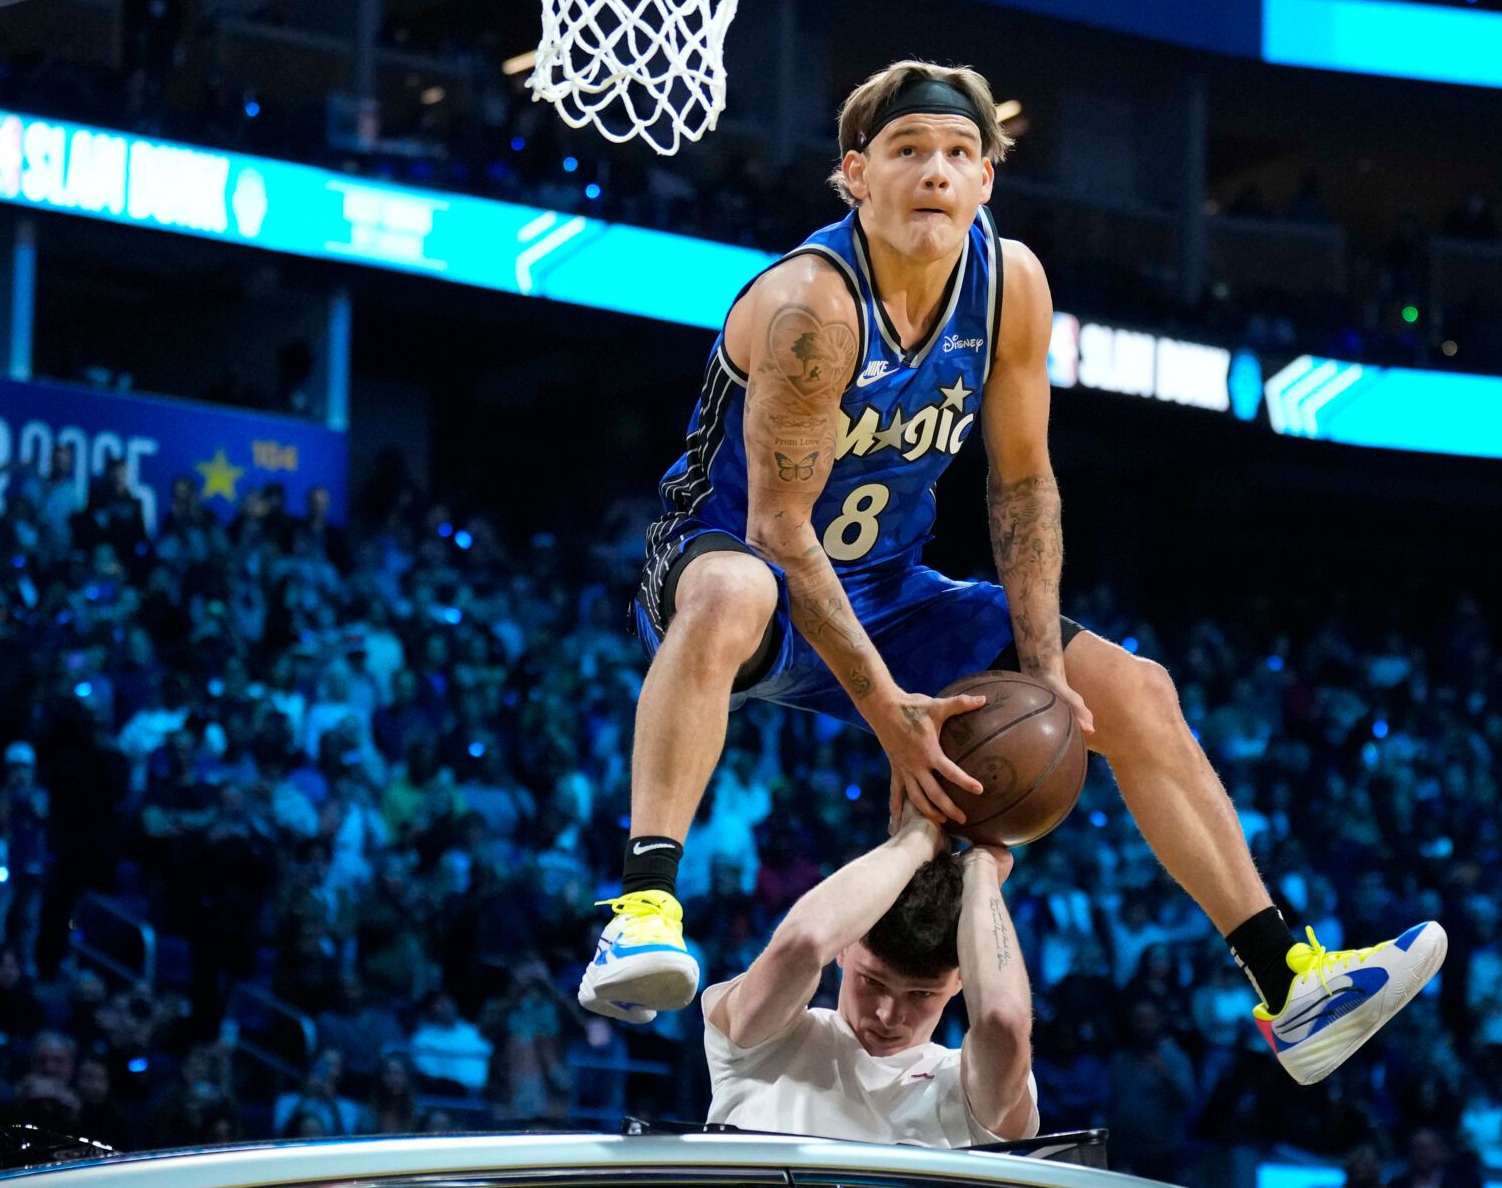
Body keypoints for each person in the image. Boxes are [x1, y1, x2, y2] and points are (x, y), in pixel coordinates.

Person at [590, 58, 1444, 1087]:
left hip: (889, 584)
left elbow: (1023, 489)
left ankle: (1289, 978)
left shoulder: (1012, 283)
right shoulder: (812, 303)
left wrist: (1044, 670)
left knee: (1135, 689)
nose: (936, 173)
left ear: (988, 178)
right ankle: (643, 906)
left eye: (960, 154)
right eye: (908, 152)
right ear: (856, 174)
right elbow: (778, 525)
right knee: (737, 589)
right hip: (737, 564)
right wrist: (884, 707)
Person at [702, 803, 1033, 1144]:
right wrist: (920, 836)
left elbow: (1004, 1019)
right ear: (842, 947)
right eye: (872, 981)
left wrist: (981, 870)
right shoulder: (765, 1041)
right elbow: (804, 941)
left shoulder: (961, 1087)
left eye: (921, 994)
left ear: (961, 979)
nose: (888, 1015)